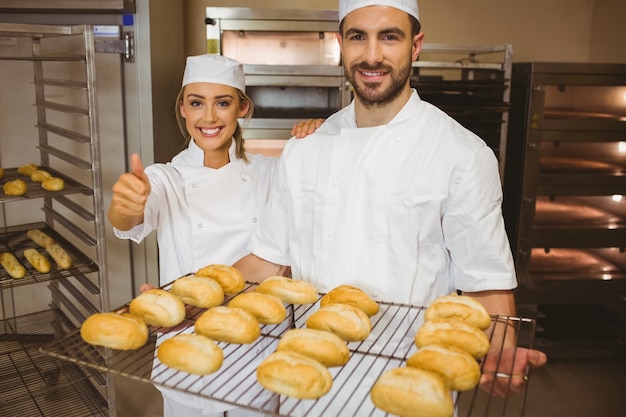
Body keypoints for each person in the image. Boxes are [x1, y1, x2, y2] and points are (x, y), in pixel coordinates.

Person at [233, 0, 547, 400]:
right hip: (309, 385)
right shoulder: (304, 150)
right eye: (358, 37)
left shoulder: (461, 154)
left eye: (389, 37)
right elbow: (267, 261)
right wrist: (188, 298)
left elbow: (485, 285)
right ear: (340, 44)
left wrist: (500, 345)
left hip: (412, 384)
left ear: (415, 46)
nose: (372, 56)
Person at [108, 54, 278, 417]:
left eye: (223, 103)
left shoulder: (269, 173)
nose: (209, 117)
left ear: (242, 108)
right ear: (183, 109)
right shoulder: (164, 177)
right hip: (185, 350)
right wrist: (126, 202)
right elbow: (126, 221)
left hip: (254, 351)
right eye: (197, 103)